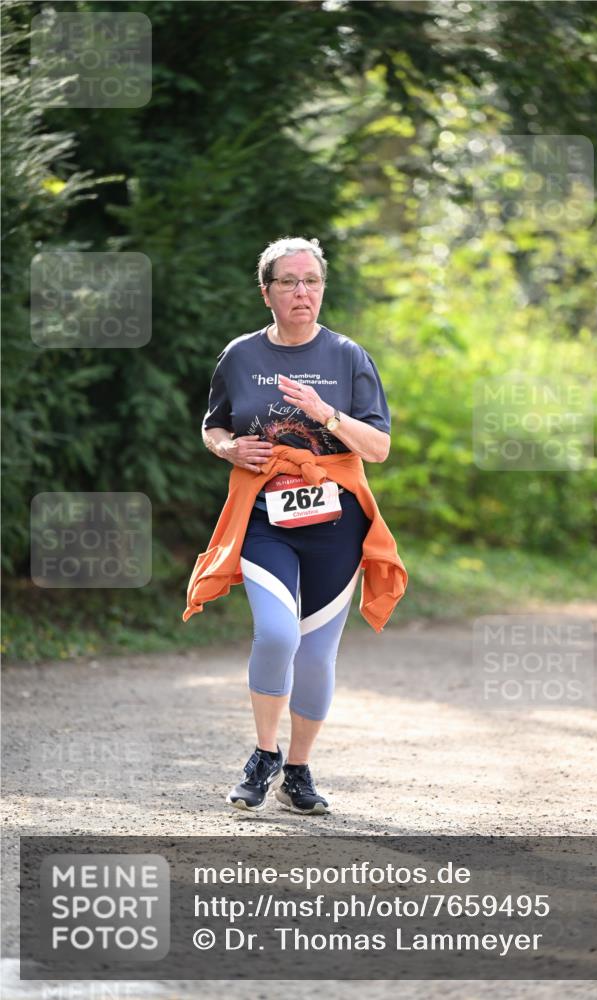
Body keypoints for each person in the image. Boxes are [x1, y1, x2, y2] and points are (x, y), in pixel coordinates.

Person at [194, 236, 406, 815]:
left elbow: (379, 447)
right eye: (288, 282)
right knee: (278, 635)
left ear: (322, 288)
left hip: (336, 525)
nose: (301, 291)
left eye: (310, 280)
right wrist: (229, 449)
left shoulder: (348, 357)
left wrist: (325, 414)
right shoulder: (240, 356)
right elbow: (213, 427)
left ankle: (299, 770)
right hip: (265, 519)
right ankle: (263, 755)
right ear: (267, 293)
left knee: (315, 656)